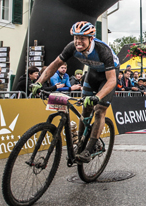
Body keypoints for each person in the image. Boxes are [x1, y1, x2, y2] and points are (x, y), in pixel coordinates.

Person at [31, 21, 120, 163]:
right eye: (76, 38)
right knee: (85, 109)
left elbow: (111, 81)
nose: (78, 42)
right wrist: (38, 83)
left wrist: (97, 97)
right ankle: (80, 143)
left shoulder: (103, 50)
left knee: (99, 111)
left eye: (82, 38)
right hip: (92, 74)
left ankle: (89, 148)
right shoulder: (72, 47)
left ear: (91, 39)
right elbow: (54, 65)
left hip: (107, 76)